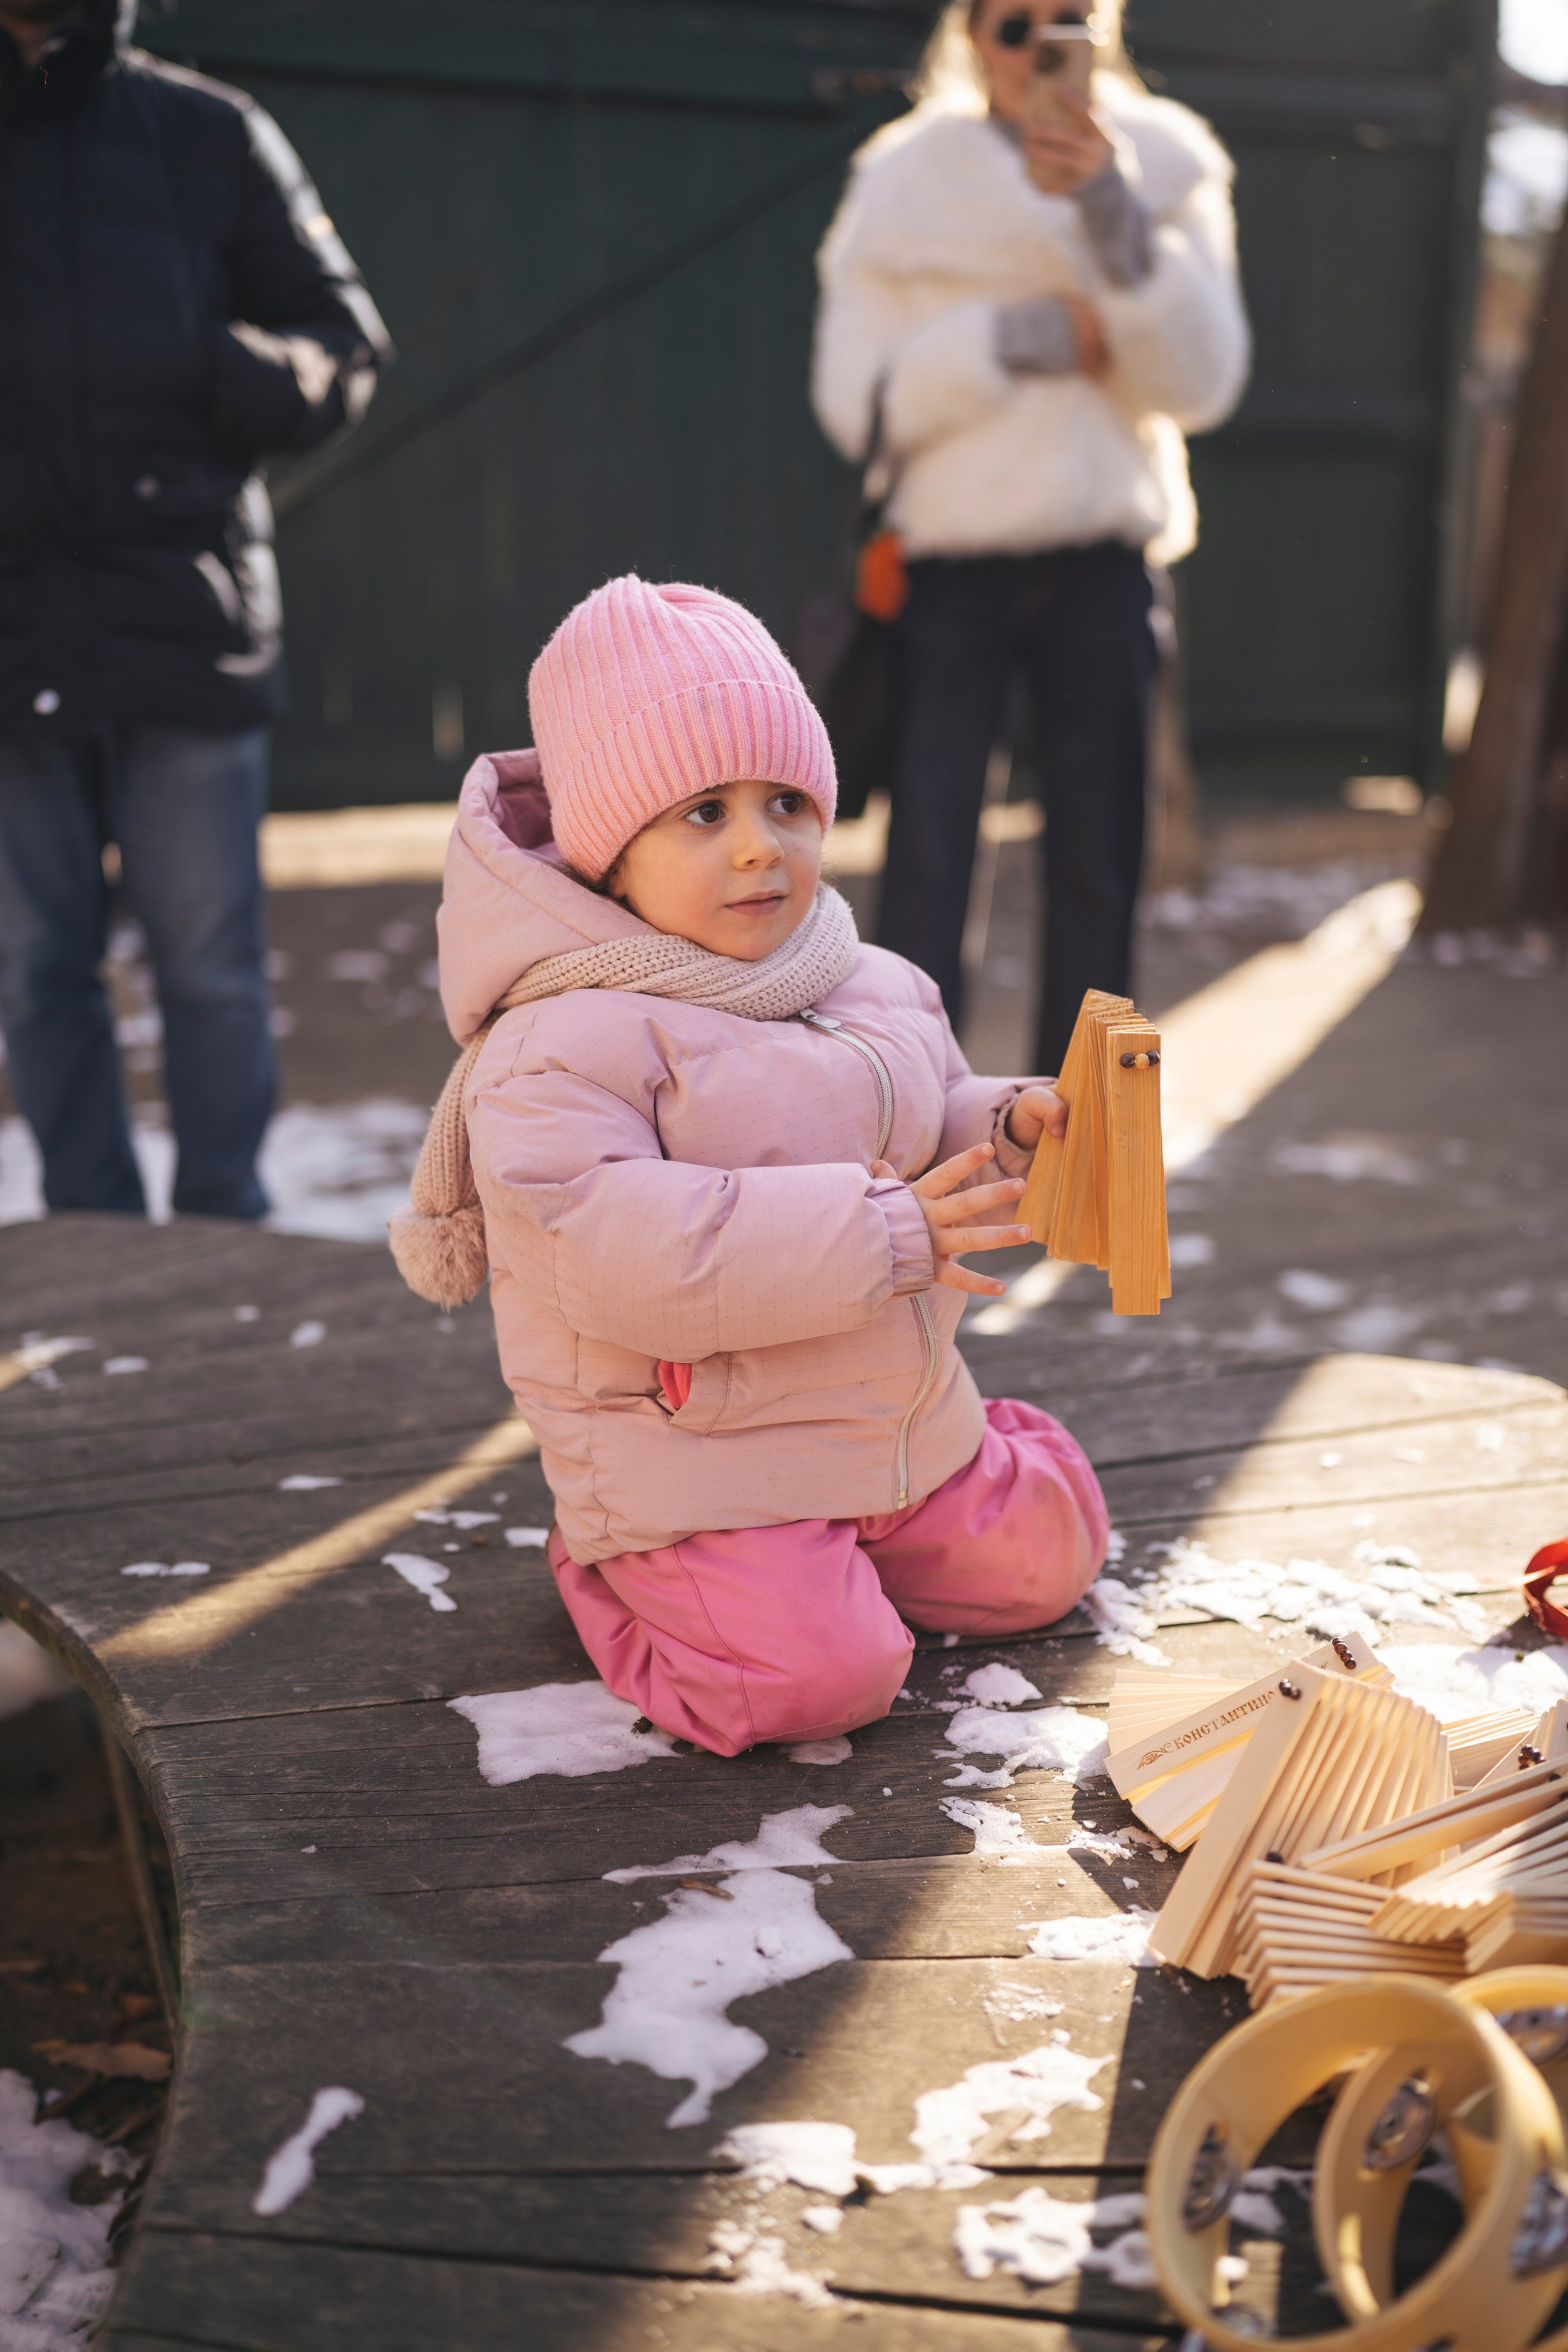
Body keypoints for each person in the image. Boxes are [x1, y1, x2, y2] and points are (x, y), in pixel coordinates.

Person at [391, 574, 1107, 1756]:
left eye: (786, 802)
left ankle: (896, 1518)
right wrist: (882, 1236)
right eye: (702, 814)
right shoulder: (560, 1042)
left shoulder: (865, 978)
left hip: (885, 1424)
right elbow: (616, 1244)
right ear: (610, 853)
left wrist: (1009, 1131)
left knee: (1047, 1560)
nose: (758, 848)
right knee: (815, 1685)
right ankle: (623, 1570)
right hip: (697, 1456)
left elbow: (920, 1129)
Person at [0, 0, 389, 1218]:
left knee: (212, 971)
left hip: (187, 619)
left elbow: (345, 346)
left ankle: (231, 1236)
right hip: (9, 641)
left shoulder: (210, 133)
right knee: (34, 973)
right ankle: (90, 1241)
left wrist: (215, 363)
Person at [811, 0, 1248, 1069]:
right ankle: (921, 1134)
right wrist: (1025, 335)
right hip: (947, 570)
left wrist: (1113, 214)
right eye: (1015, 25)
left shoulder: (1166, 161)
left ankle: (1086, 1157)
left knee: (1104, 865)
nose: (1039, 47)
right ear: (969, 35)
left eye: (1071, 19)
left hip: (1104, 560)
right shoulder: (905, 177)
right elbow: (853, 401)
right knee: (927, 859)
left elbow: (1204, 381)